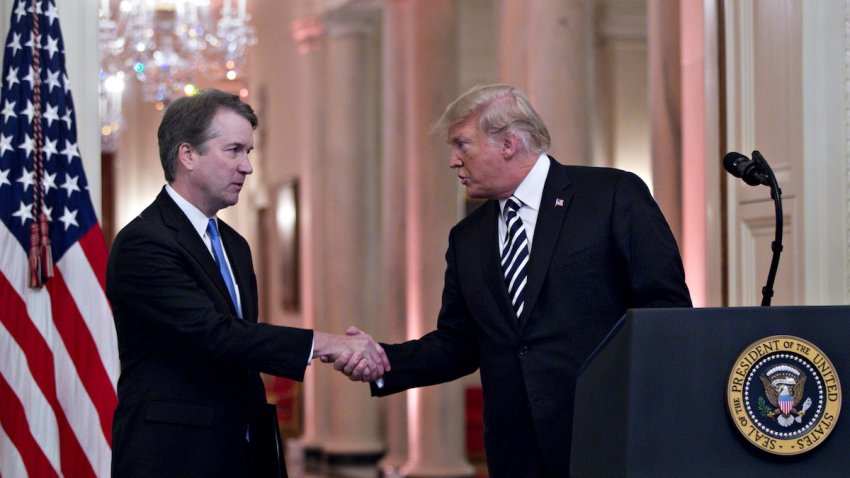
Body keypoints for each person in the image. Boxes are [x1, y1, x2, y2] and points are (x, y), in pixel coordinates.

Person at [337, 84, 692, 477]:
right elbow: (458, 344)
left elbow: (665, 311)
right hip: (515, 453)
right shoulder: (467, 237)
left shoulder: (610, 195)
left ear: (508, 143)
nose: (453, 161)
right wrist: (383, 362)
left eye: (461, 144)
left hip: (606, 439)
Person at [106, 89, 389, 477]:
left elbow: (242, 346)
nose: (247, 167)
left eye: (248, 152)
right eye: (234, 150)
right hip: (175, 456)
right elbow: (216, 334)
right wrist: (327, 343)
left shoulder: (234, 245)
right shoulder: (145, 242)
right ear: (187, 155)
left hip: (241, 450)